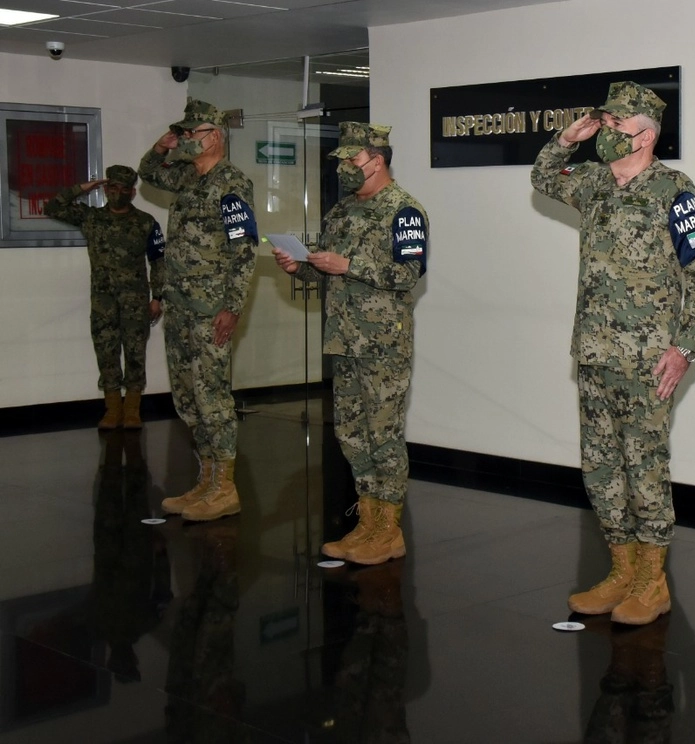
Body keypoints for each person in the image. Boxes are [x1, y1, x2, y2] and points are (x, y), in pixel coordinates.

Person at [530, 81, 695, 626]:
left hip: (647, 360)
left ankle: (652, 581)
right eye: (606, 124)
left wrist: (685, 347)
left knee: (645, 469)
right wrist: (566, 138)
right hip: (592, 351)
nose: (607, 133)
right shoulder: (591, 183)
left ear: (645, 136)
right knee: (601, 469)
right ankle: (619, 570)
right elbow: (542, 177)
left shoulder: (675, 190)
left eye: (617, 126)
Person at [274, 122, 428, 565]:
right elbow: (324, 270)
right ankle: (368, 522)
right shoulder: (341, 212)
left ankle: (389, 531)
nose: (344, 168)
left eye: (351, 160)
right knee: (351, 434)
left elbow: (407, 275)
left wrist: (349, 264)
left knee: (383, 436)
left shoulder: (405, 212)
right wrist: (298, 266)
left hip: (382, 344)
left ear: (376, 161)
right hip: (343, 340)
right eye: (341, 161)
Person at [138, 98, 258, 522]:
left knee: (212, 398)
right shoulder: (187, 179)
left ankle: (225, 487)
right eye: (183, 133)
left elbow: (245, 250)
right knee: (187, 398)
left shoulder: (232, 184)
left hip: (211, 310)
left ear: (216, 136)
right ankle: (205, 480)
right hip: (180, 308)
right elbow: (149, 174)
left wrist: (232, 307)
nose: (186, 139)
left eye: (193, 133)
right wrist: (161, 146)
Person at [44, 165, 165, 429]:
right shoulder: (91, 218)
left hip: (135, 301)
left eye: (124, 189)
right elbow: (52, 207)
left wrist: (158, 298)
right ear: (106, 190)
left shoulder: (146, 222)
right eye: (113, 188)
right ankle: (112, 410)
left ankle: (132, 409)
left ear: (132, 193)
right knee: (106, 354)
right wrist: (82, 188)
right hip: (103, 302)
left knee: (135, 354)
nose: (118, 193)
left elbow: (158, 261)